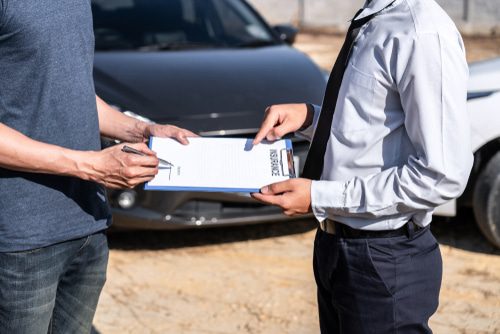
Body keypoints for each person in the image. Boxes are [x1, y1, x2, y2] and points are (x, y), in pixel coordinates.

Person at [252, 0, 473, 332]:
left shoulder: (421, 31)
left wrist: (319, 196)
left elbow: (441, 174)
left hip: (384, 260)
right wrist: (311, 118)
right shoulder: (377, 16)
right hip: (338, 249)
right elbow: (373, 127)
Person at [0, 1, 196, 333]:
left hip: (87, 224)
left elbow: (68, 88)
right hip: (21, 240)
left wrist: (141, 130)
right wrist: (91, 166)